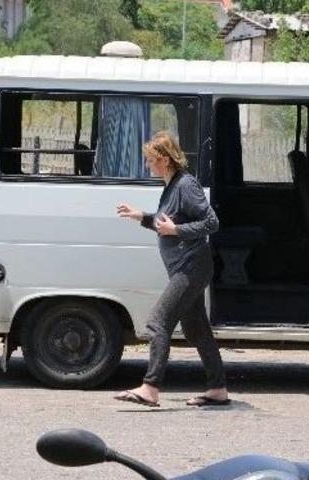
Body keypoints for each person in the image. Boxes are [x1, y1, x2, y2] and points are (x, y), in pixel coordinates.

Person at [114, 131, 229, 408]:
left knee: (158, 322)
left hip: (191, 267)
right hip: (185, 266)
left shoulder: (186, 185)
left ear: (164, 159)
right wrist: (142, 216)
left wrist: (175, 229)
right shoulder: (171, 185)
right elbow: (166, 222)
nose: (147, 165)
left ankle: (150, 387)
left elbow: (211, 223)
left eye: (150, 160)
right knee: (197, 330)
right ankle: (218, 389)